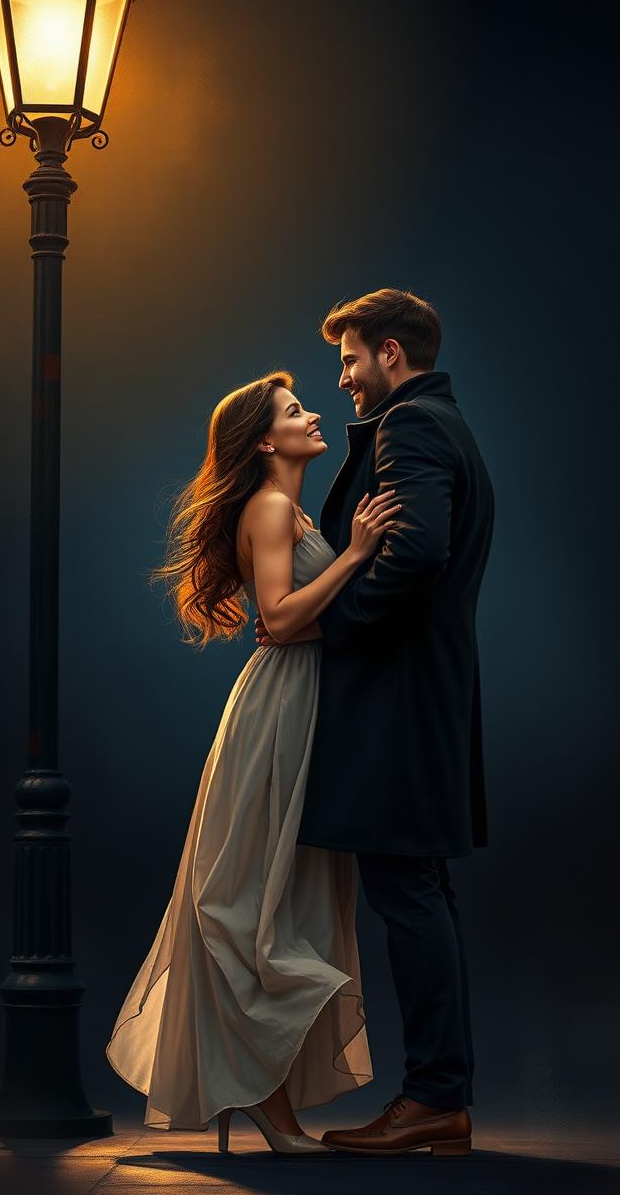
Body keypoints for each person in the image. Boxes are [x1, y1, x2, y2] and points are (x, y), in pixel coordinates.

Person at [105, 370, 402, 1154]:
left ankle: (257, 1095)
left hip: (293, 707)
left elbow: (296, 623)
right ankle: (270, 1108)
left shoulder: (289, 509)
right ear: (266, 441)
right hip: (277, 714)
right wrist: (356, 556)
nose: (314, 416)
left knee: (269, 902)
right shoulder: (271, 507)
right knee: (253, 908)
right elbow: (278, 616)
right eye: (295, 410)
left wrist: (332, 587)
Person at [256, 288, 495, 1157]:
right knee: (419, 890)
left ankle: (433, 1097)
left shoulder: (413, 428)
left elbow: (416, 550)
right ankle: (441, 1095)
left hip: (397, 703)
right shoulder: (442, 423)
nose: (346, 380)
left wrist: (325, 625)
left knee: (407, 892)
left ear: (391, 353)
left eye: (352, 360)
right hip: (423, 695)